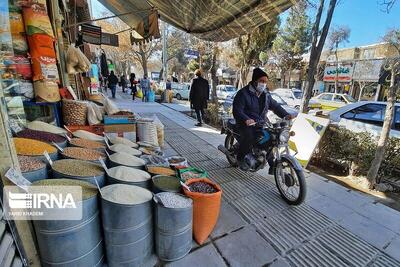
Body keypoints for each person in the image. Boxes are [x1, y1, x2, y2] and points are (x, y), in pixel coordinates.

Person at [232, 67, 292, 171]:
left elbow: (275, 106)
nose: (264, 84)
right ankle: (240, 158)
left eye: (265, 82)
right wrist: (246, 119)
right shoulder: (243, 93)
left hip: (260, 123)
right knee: (249, 137)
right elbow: (237, 110)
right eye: (261, 81)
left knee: (272, 138)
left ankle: (270, 162)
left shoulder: (266, 95)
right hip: (245, 124)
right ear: (255, 81)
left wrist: (286, 115)